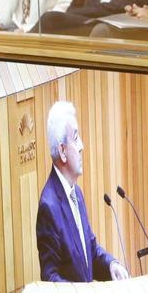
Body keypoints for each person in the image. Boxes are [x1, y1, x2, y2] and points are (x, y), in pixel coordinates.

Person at [36, 101, 129, 283]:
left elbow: (90, 252)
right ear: (62, 151)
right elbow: (50, 278)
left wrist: (111, 265)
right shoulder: (49, 207)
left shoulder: (75, 193)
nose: (82, 146)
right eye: (76, 138)